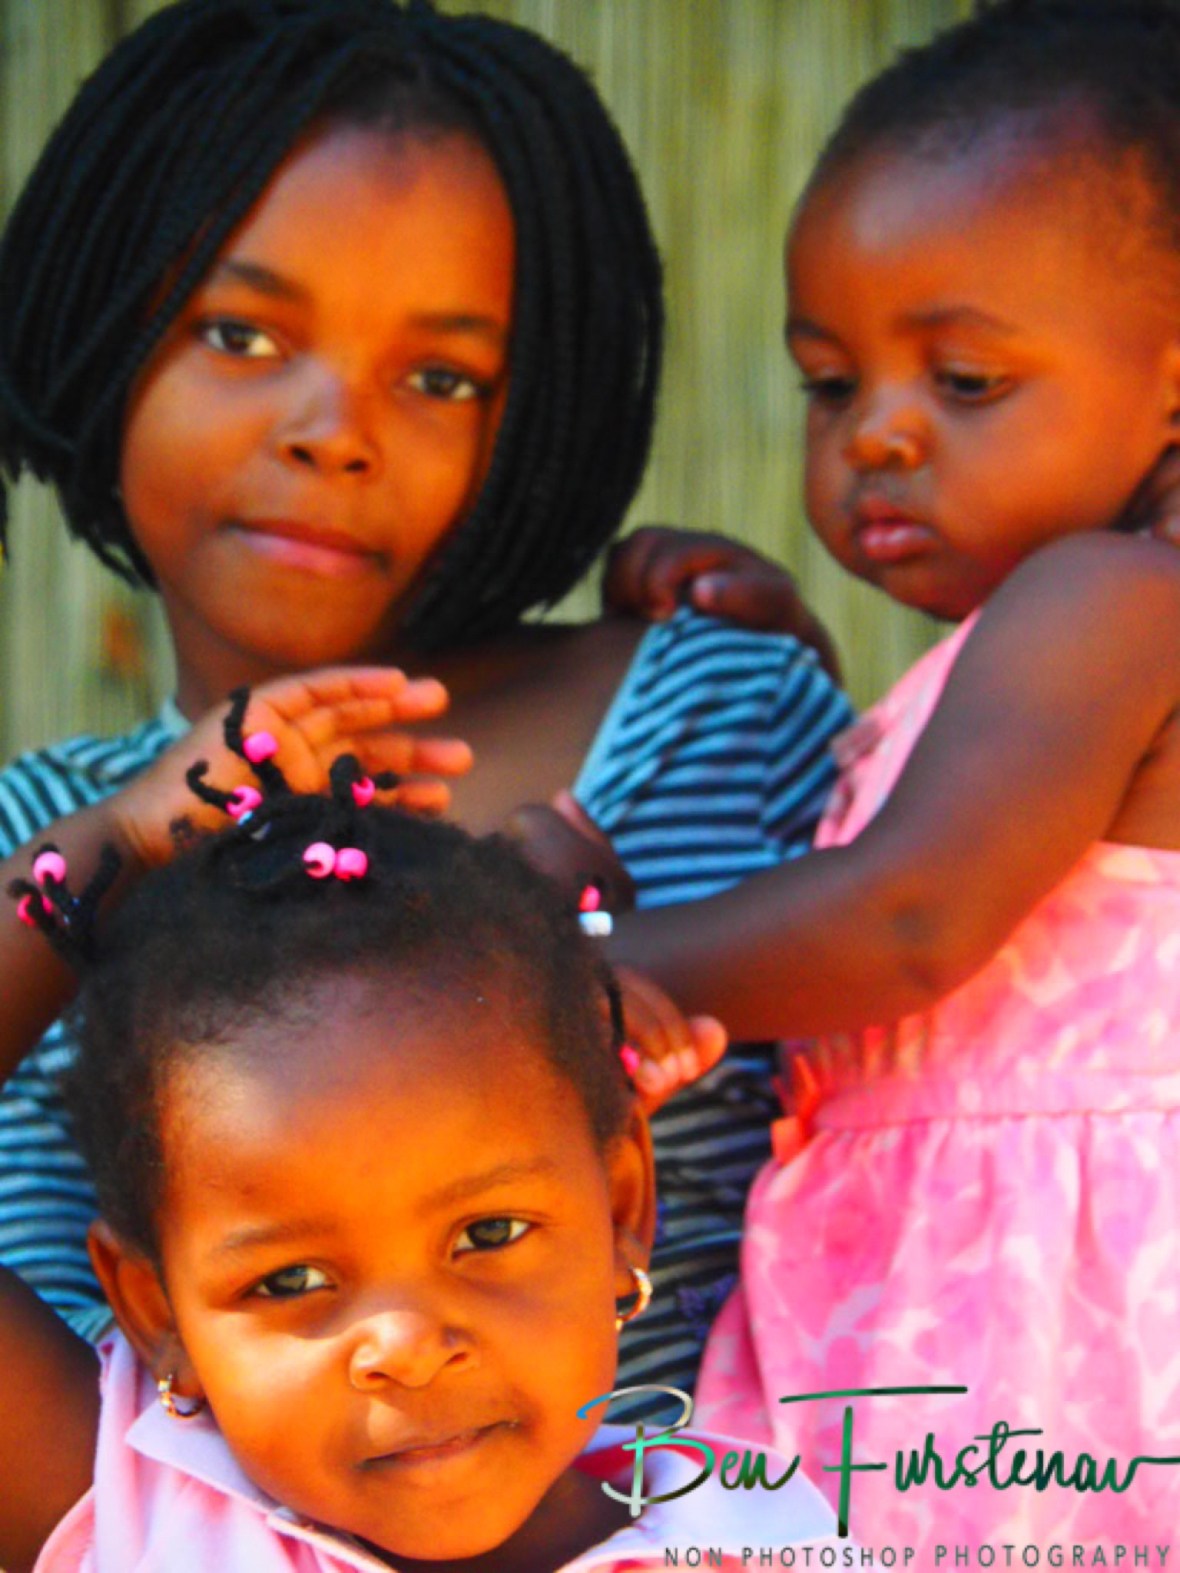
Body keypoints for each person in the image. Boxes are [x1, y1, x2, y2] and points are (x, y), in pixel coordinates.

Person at [0, 0, 852, 1403]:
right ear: (102, 318)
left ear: (544, 413)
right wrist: (123, 849)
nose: (334, 429)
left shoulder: (716, 716)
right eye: (241, 333)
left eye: (442, 377)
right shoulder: (50, 835)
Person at [548, 0, 1180, 1550]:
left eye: (962, 382)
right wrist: (818, 669)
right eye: (833, 385)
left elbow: (909, 918)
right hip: (938, 1278)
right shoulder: (1070, 628)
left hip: (1047, 1303)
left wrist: (557, 966)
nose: (879, 439)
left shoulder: (1115, 599)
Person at [0, 715, 841, 1573]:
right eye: (290, 1280)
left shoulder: (759, 1542)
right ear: (154, 1309)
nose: (406, 1347)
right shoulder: (127, 1500)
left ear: (621, 1203)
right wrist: (119, 840)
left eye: (488, 1233)